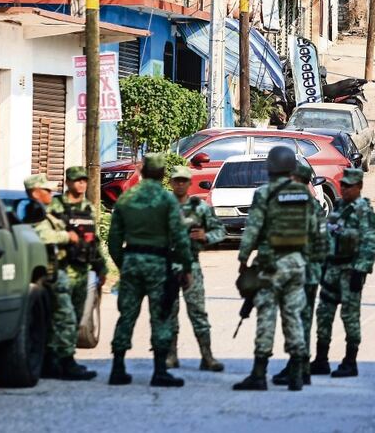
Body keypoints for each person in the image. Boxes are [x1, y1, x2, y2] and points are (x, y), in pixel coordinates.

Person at [233, 146, 325, 392]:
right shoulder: (305, 196)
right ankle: (297, 374)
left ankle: (259, 374)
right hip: (297, 265)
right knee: (293, 316)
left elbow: (253, 228)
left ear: (271, 166)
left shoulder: (265, 193)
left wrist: (243, 258)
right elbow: (316, 232)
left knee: (267, 316)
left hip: (271, 264)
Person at [107, 153, 194, 388]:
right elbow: (180, 237)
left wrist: (123, 263)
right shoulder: (167, 202)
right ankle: (159, 370)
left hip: (132, 260)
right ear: (163, 174)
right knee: (161, 315)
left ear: (142, 172)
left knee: (126, 315)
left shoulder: (126, 199)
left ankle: (117, 367)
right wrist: (186, 267)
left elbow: (113, 241)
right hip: (159, 263)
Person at [27, 174, 97, 381]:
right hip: (49, 275)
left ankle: (53, 362)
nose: (51, 193)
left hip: (57, 272)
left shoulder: (46, 213)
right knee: (66, 318)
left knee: (58, 320)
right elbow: (41, 235)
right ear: (35, 193)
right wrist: (67, 236)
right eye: (46, 190)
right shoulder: (34, 213)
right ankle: (66, 362)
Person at [311, 168, 375, 378]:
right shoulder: (338, 207)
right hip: (332, 269)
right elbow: (327, 236)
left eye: (350, 186)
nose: (346, 189)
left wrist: (361, 270)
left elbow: (370, 243)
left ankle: (350, 361)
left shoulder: (364, 212)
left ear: (359, 187)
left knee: (349, 317)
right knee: (324, 314)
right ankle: (321, 360)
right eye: (344, 185)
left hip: (351, 271)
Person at [273, 161, 328, 387]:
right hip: (311, 273)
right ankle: (301, 366)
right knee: (302, 320)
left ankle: (297, 366)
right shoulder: (315, 206)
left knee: (295, 320)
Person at [166, 165, 226, 372]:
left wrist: (206, 237)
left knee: (198, 311)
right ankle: (170, 355)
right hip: (168, 266)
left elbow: (220, 230)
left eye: (184, 180)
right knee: (168, 312)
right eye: (177, 180)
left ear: (189, 183)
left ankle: (207, 356)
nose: (180, 184)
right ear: (171, 183)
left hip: (192, 264)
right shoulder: (163, 207)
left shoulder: (200, 208)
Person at [48, 166, 107, 346]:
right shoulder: (56, 206)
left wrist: (101, 267)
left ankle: (67, 355)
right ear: (68, 182)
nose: (81, 184)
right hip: (62, 268)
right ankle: (58, 358)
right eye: (77, 180)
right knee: (63, 315)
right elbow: (46, 233)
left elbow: (93, 240)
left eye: (84, 181)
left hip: (82, 270)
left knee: (78, 316)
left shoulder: (88, 207)